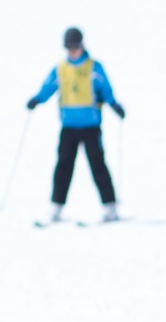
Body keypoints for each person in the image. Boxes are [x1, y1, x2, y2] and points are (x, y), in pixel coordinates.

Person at [26, 26, 125, 223]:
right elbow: (49, 87)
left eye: (75, 47)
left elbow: (105, 89)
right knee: (63, 166)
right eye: (69, 48)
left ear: (82, 45)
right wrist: (37, 99)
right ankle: (56, 208)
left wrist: (114, 105)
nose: (73, 51)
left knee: (98, 166)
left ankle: (110, 207)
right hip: (68, 127)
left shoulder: (94, 68)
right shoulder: (61, 69)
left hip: (90, 126)